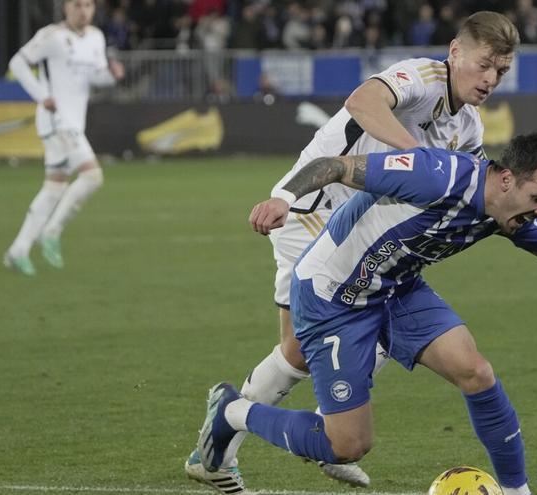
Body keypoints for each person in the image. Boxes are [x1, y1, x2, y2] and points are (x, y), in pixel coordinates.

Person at [196, 133, 537, 495]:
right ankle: (233, 410)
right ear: (507, 178)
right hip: (332, 295)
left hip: (398, 288)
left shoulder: (504, 212)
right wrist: (284, 198)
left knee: (476, 371)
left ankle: (516, 490)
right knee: (347, 445)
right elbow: (333, 165)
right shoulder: (436, 175)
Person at [184, 11, 520, 494]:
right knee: (307, 347)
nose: (490, 79)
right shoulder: (421, 78)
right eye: (484, 64)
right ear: (454, 51)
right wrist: (417, 159)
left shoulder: (467, 126)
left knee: (311, 345)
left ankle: (317, 431)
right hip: (312, 209)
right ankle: (236, 443)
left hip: (364, 232)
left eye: (501, 71)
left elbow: (464, 190)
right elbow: (363, 101)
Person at [3, 0, 124, 276]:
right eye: (77, 5)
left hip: (73, 123)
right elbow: (18, 63)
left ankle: (18, 250)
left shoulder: (95, 37)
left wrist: (112, 76)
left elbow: (95, 77)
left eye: (88, 5)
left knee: (54, 187)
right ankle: (52, 231)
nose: (83, 11)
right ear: (66, 8)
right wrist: (41, 95)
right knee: (92, 176)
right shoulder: (51, 36)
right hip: (57, 120)